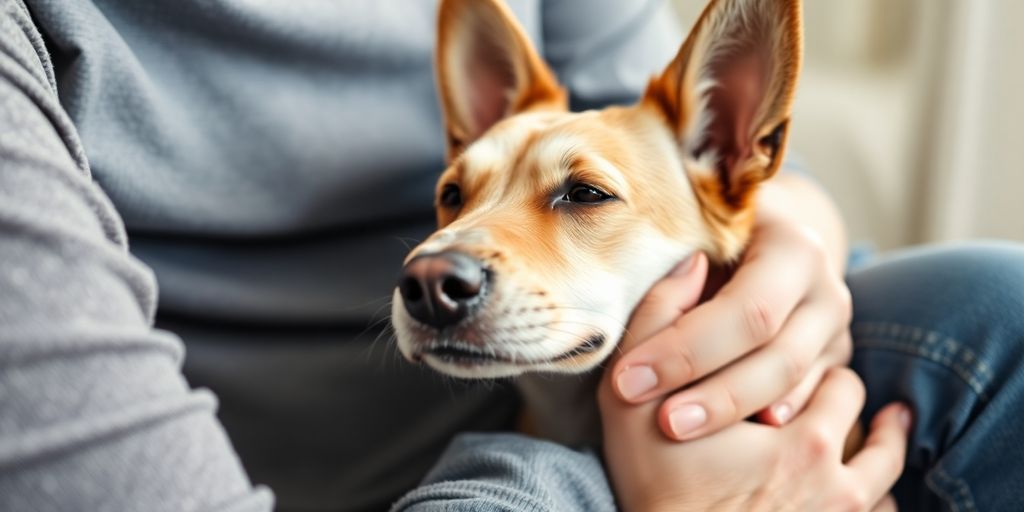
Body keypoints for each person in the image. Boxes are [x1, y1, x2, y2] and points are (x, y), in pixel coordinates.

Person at [1, 0, 1021, 511]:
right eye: (456, 196)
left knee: (1000, 311)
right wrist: (612, 482)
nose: (446, 249)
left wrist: (795, 233)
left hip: (668, 348)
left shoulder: (699, 150)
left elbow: (653, 134)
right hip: (430, 470)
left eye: (576, 197)